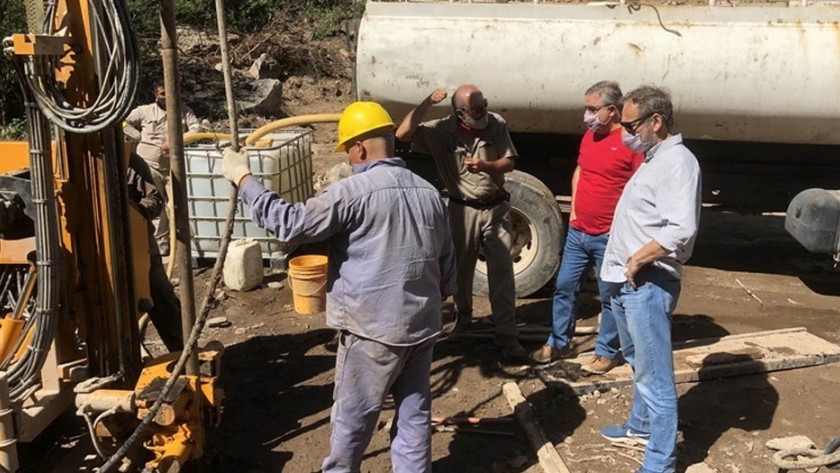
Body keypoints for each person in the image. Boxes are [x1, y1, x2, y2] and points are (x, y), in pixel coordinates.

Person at [220, 101, 457, 473]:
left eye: (348, 150)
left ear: (360, 147)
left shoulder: (352, 192)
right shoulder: (429, 193)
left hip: (372, 332)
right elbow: (446, 269)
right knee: (414, 418)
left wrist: (243, 179)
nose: (349, 158)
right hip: (421, 328)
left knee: (353, 421)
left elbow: (289, 224)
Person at [598, 86, 701, 473]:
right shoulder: (653, 158)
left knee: (656, 376)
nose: (622, 132)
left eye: (629, 124)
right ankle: (640, 426)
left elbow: (681, 229)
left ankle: (659, 462)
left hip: (649, 280)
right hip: (629, 279)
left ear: (655, 121)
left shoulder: (678, 163)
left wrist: (637, 260)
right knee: (639, 361)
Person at [395, 85, 526, 360]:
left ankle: (507, 334)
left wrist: (486, 166)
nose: (482, 113)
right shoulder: (440, 130)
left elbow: (510, 162)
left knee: (501, 272)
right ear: (459, 113)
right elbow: (402, 133)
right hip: (461, 210)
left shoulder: (495, 124)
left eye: (484, 105)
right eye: (475, 109)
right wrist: (426, 102)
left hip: (496, 207)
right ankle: (464, 320)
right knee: (460, 272)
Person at [531, 81, 643, 375]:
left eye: (593, 109)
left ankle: (606, 351)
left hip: (609, 237)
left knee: (610, 297)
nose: (587, 115)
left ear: (612, 110)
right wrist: (576, 213)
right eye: (586, 108)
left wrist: (621, 229)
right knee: (564, 287)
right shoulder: (590, 137)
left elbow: (639, 189)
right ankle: (558, 342)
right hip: (579, 232)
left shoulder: (630, 143)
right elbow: (581, 170)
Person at [124, 81, 201, 256]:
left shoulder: (184, 111)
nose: (166, 97)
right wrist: (137, 136)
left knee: (174, 204)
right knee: (154, 202)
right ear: (155, 94)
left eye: (169, 93)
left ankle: (181, 240)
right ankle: (161, 240)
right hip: (149, 166)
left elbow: (196, 129)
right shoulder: (145, 111)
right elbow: (122, 121)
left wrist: (176, 140)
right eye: (162, 94)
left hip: (174, 167)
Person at [126, 151, 185, 352]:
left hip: (140, 245)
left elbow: (154, 201)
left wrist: (133, 210)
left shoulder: (131, 162)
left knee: (161, 297)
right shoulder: (68, 160)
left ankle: (183, 354)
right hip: (97, 251)